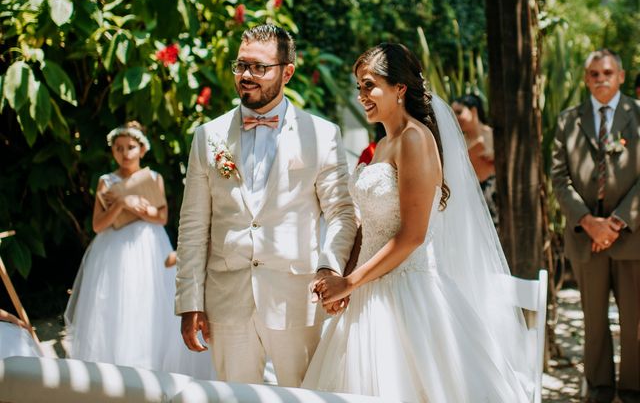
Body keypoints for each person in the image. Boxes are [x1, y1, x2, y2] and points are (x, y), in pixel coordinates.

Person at [302, 43, 533, 402]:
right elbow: (370, 226)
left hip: (408, 296)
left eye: (369, 85)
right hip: (369, 291)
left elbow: (412, 236)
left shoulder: (414, 139)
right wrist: (342, 277)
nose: (361, 95)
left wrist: (349, 282)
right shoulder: (382, 145)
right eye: (358, 87)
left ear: (399, 89)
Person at [175, 24, 356, 387]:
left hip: (296, 298)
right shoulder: (207, 136)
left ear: (287, 72)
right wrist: (189, 300)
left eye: (259, 67)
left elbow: (342, 212)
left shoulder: (321, 135)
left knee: (305, 396)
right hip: (227, 301)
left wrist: (329, 267)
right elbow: (193, 224)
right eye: (241, 66)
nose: (246, 76)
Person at [64, 122, 213, 378]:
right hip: (113, 251)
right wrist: (121, 203)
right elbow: (98, 225)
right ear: (112, 151)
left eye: (130, 147)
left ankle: (150, 366)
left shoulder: (154, 178)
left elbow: (162, 216)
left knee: (149, 298)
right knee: (114, 301)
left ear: (142, 149)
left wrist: (144, 210)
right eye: (118, 148)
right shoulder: (106, 182)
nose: (125, 153)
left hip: (148, 247)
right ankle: (113, 369)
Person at [551, 49, 640, 403]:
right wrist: (589, 222)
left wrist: (617, 222)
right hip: (586, 236)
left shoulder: (638, 114)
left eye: (607, 72)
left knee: (634, 323)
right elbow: (559, 177)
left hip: (631, 235)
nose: (600, 79)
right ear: (586, 79)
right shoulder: (568, 120)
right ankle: (600, 390)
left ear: (620, 76)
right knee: (593, 321)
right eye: (593, 74)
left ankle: (633, 390)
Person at [452, 94, 498, 227]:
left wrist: (494, 157)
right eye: (453, 113)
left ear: (473, 111)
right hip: (473, 199)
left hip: (497, 195)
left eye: (459, 112)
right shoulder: (458, 143)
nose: (456, 117)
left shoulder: (493, 135)